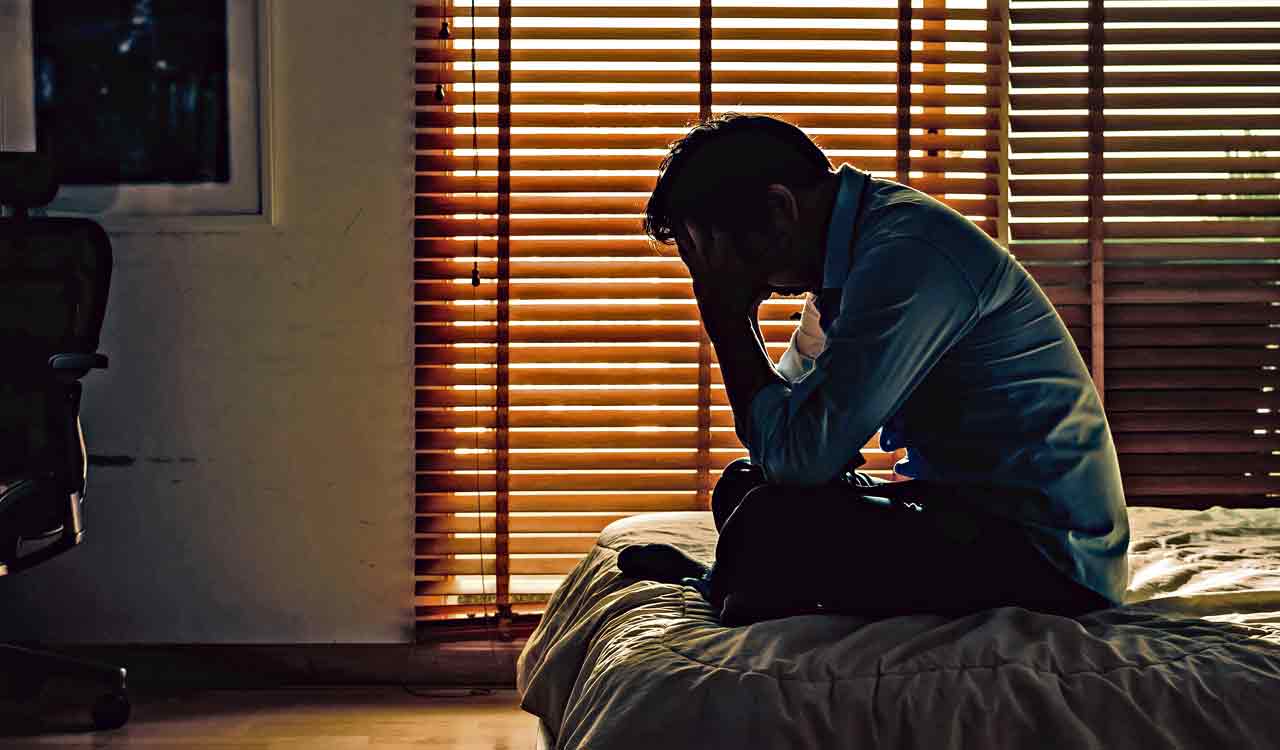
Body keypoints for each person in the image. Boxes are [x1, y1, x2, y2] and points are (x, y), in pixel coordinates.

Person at [616, 113, 1129, 626]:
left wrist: (727, 321)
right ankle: (732, 582)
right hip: (962, 510)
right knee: (742, 485)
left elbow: (799, 460)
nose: (719, 274)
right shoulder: (849, 260)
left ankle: (729, 585)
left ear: (779, 208)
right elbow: (783, 437)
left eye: (721, 252)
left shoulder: (907, 256)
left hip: (1049, 559)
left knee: (769, 520)